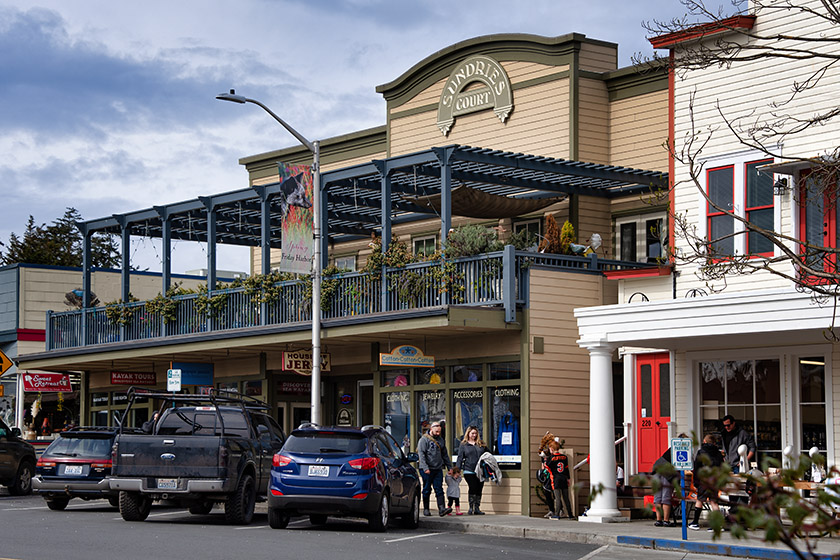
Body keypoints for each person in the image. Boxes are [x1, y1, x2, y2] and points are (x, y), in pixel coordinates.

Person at [688, 434, 725, 531]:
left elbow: (697, 468)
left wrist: (696, 482)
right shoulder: (718, 453)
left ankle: (695, 522)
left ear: (704, 441)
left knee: (700, 500)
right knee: (714, 501)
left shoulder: (701, 452)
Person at [417, 421, 453, 517]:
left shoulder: (441, 440)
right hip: (427, 469)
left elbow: (444, 455)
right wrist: (425, 468)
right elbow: (421, 455)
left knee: (439, 488)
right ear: (431, 429)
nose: (438, 433)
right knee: (427, 489)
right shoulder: (424, 440)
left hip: (437, 468)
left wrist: (449, 467)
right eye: (436, 431)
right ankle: (426, 508)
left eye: (439, 432)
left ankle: (441, 508)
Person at [456, 425, 489, 515]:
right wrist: (457, 470)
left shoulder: (481, 444)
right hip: (469, 470)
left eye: (475, 433)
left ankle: (477, 508)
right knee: (473, 487)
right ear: (468, 433)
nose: (474, 435)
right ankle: (471, 507)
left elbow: (488, 455)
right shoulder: (464, 445)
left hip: (480, 470)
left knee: (479, 488)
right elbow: (460, 458)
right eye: (472, 433)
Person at [545, 439, 574, 520]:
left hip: (556, 479)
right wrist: (568, 478)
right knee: (566, 498)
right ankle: (570, 514)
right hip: (564, 478)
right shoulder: (564, 457)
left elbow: (547, 466)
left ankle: (556, 514)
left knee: (557, 498)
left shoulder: (551, 458)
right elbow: (566, 468)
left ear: (552, 449)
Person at [652, 448, 676, 527]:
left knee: (658, 497)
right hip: (668, 471)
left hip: (657, 468)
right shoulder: (684, 450)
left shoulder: (672, 448)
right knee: (666, 496)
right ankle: (666, 520)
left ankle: (658, 520)